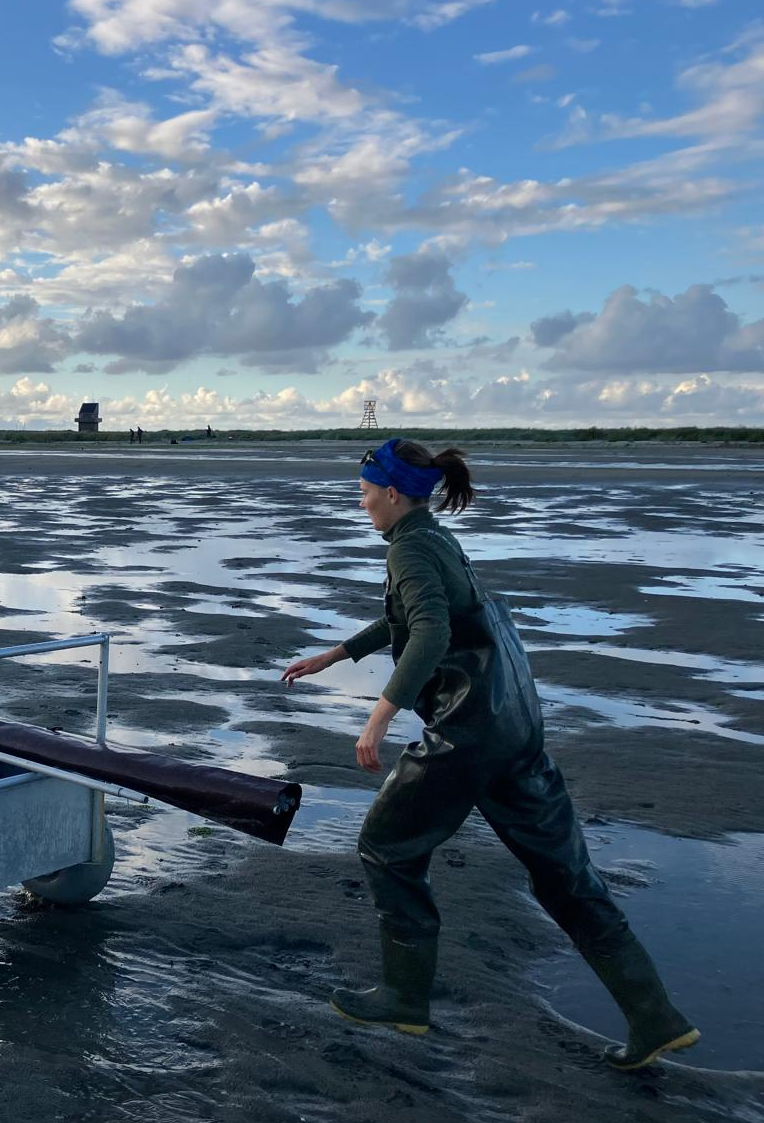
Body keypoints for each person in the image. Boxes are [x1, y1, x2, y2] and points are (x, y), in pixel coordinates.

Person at [280, 438, 697, 1070]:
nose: (361, 503)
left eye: (365, 493)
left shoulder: (412, 546)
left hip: (466, 734)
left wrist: (379, 717)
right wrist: (335, 656)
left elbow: (430, 631)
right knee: (565, 876)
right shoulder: (433, 537)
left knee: (386, 847)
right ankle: (655, 1017)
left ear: (393, 493)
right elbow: (415, 616)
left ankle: (403, 996)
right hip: (516, 727)